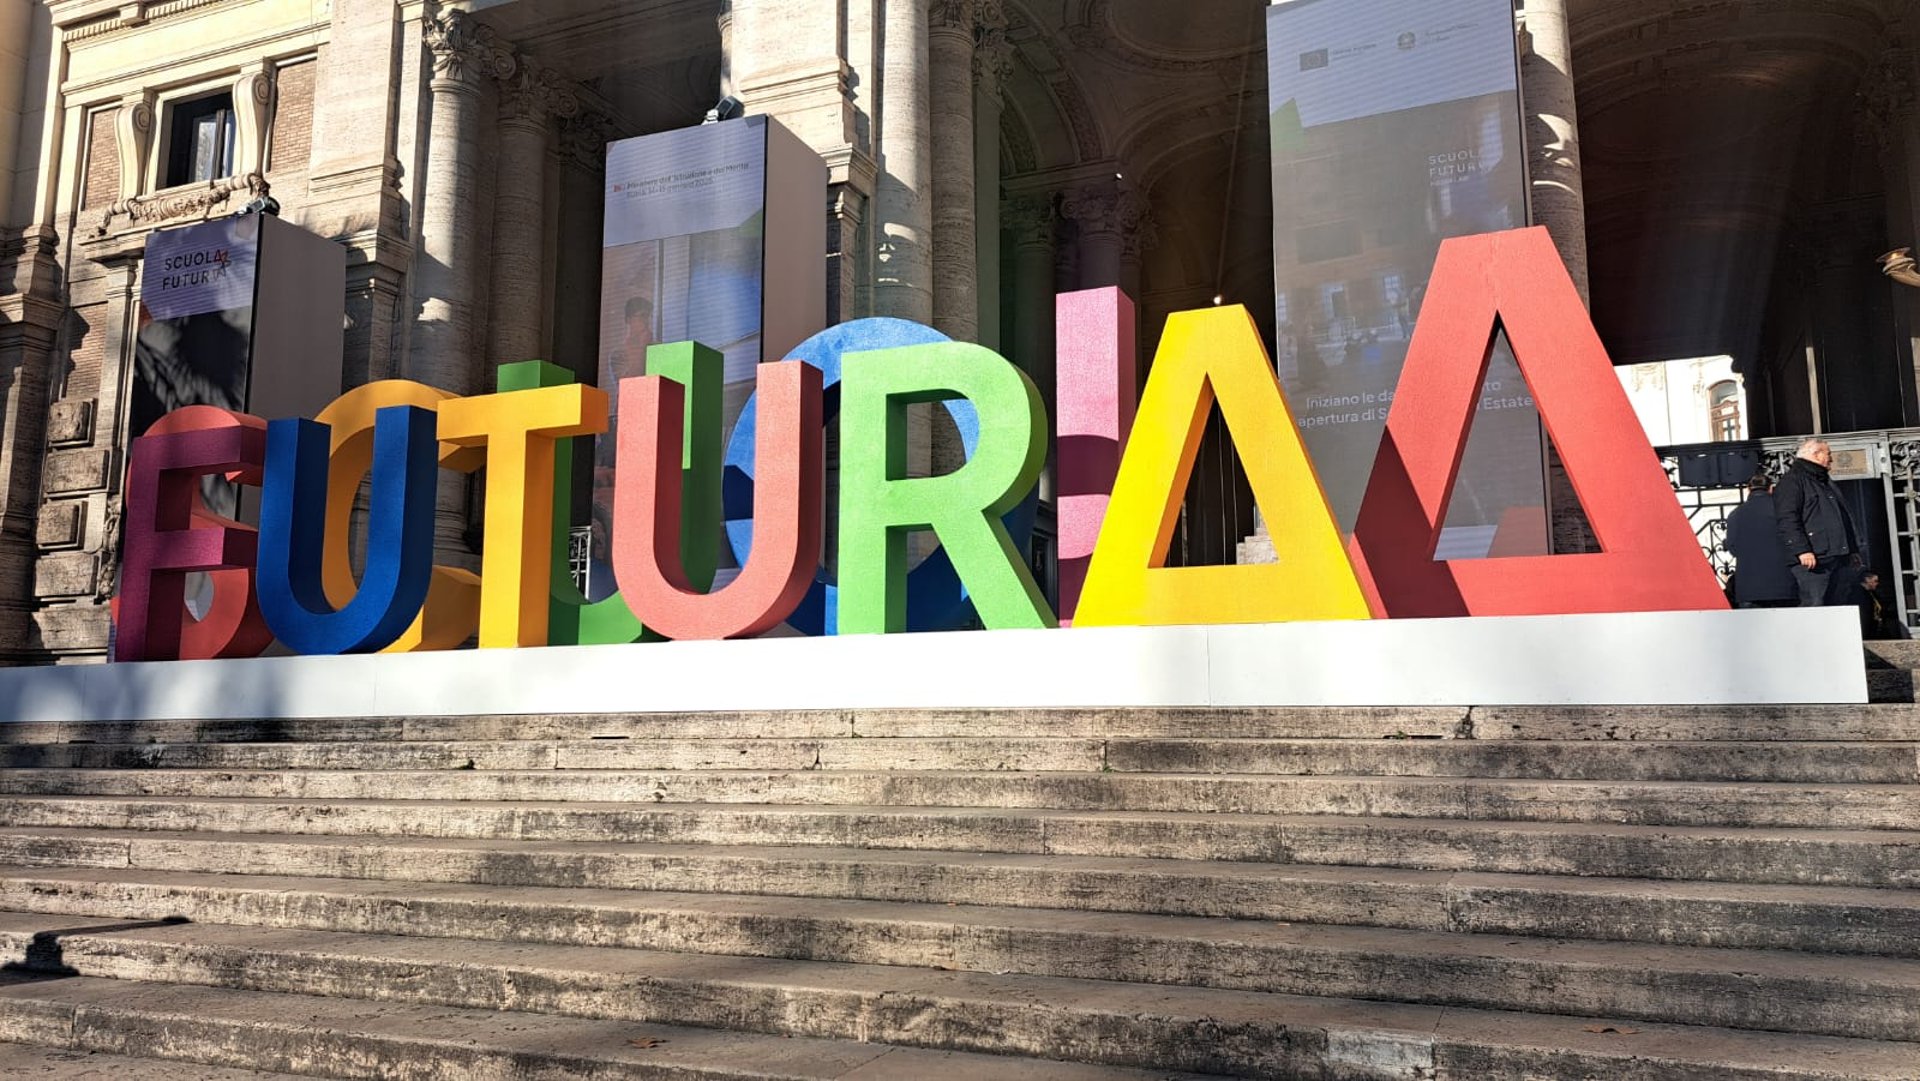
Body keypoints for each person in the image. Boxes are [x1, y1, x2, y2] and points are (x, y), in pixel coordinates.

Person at [1773, 438, 1863, 607]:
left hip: (1837, 556)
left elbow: (1842, 515)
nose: (1831, 459)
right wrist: (1802, 550)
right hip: (1814, 559)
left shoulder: (1824, 481)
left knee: (1837, 604)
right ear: (1815, 454)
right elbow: (1788, 518)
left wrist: (1852, 549)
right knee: (1814, 604)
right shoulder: (1793, 481)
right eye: (1828, 454)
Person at [1722, 475, 1795, 607]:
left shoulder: (1736, 514)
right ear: (1771, 489)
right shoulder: (1783, 510)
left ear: (1748, 490)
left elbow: (1733, 548)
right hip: (1782, 582)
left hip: (1749, 585)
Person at [1858, 572, 1911, 640]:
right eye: (1875, 581)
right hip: (1867, 627)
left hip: (1876, 626)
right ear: (1867, 580)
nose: (1877, 584)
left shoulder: (1872, 593)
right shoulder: (1859, 594)